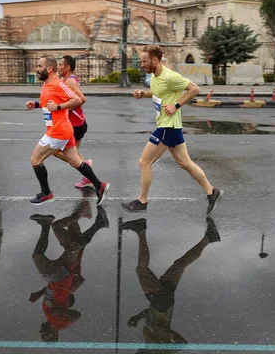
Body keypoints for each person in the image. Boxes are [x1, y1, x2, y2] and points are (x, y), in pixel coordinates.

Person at [121, 45, 222, 215]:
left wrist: (176, 105)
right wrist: (143, 94)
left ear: (154, 60)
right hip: (170, 127)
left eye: (145, 62)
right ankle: (212, 193)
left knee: (144, 162)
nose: (142, 65)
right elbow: (158, 92)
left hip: (167, 126)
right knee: (185, 163)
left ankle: (142, 201)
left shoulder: (170, 76)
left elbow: (194, 89)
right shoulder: (155, 75)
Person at [121, 216, 220, 353]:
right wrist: (167, 333)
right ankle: (140, 230)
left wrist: (138, 317)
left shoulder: (150, 343)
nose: (136, 351)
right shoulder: (159, 351)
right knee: (142, 270)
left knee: (179, 265)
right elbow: (182, 344)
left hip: (163, 304)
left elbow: (151, 316)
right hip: (159, 302)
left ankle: (209, 238)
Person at [25, 55, 109, 206]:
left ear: (49, 69)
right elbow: (49, 103)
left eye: (39, 66)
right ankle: (100, 186)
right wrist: (36, 104)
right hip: (62, 130)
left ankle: (46, 193)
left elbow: (77, 100)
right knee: (75, 161)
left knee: (35, 160)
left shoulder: (59, 84)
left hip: (58, 132)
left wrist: (58, 107)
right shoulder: (46, 84)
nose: (36, 69)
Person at [29, 201, 109, 342]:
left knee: (74, 243)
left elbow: (51, 294)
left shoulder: (50, 318)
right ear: (53, 335)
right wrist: (61, 311)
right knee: (72, 245)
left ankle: (83, 211)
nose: (41, 331)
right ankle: (49, 224)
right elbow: (76, 315)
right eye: (44, 335)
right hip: (59, 279)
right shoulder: (59, 324)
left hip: (56, 280)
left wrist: (39, 293)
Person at [52, 55, 94, 189]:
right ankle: (87, 174)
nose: (58, 67)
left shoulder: (70, 82)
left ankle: (86, 166)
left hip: (75, 124)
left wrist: (63, 108)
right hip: (78, 123)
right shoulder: (68, 80)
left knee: (57, 152)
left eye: (60, 64)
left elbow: (82, 99)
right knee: (73, 155)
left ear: (67, 67)